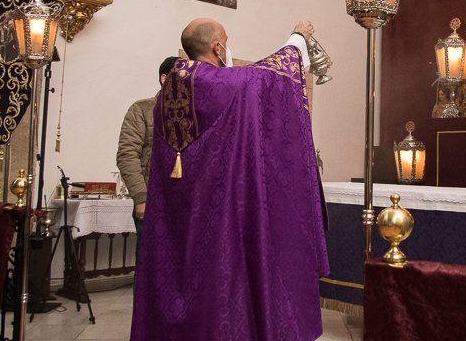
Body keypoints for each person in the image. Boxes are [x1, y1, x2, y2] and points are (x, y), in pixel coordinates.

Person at [130, 18, 328, 341]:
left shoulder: (168, 93)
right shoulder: (217, 84)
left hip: (175, 218)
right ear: (217, 47)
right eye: (226, 41)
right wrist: (296, 40)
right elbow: (265, 78)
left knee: (175, 281)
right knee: (214, 289)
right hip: (215, 217)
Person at [116, 56, 179, 247]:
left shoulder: (194, 112)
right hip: (153, 198)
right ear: (164, 78)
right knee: (149, 263)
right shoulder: (142, 109)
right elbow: (127, 154)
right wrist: (141, 198)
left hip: (184, 201)